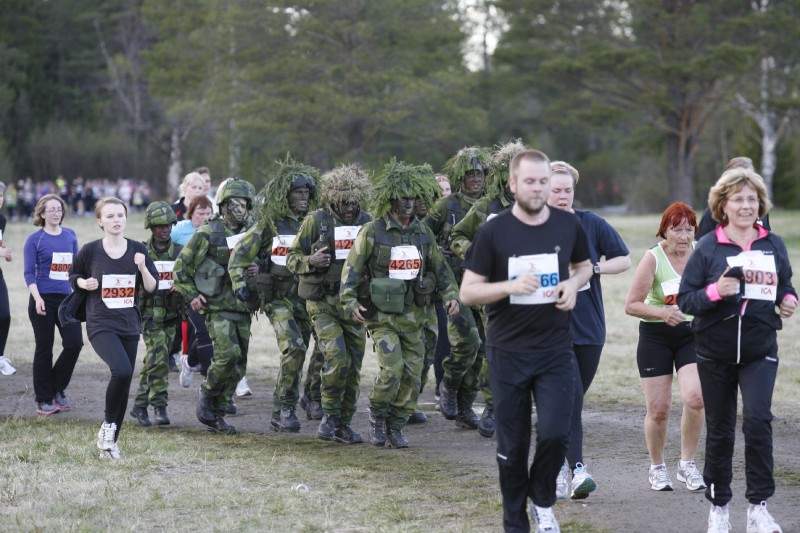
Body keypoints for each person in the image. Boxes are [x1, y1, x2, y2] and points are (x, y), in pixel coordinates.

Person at [460, 149, 591, 533]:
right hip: (508, 353)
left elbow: (583, 266)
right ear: (514, 184)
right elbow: (468, 292)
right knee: (512, 448)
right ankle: (514, 522)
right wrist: (510, 287)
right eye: (529, 181)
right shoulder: (494, 231)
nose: (537, 188)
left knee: (555, 432)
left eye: (543, 181)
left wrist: (572, 283)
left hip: (555, 350)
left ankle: (543, 500)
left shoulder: (568, 227)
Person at [678, 168, 796, 533]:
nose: (746, 206)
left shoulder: (772, 243)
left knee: (759, 422)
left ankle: (758, 507)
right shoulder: (709, 247)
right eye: (738, 199)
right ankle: (719, 507)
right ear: (722, 205)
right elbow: (686, 300)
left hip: (761, 349)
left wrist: (789, 299)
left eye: (752, 199)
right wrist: (716, 292)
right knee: (722, 430)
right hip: (715, 353)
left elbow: (786, 284)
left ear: (760, 204)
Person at [341, 159, 459, 448]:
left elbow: (441, 268)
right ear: (391, 199)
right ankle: (378, 417)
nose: (407, 204)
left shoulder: (422, 233)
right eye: (401, 198)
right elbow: (352, 270)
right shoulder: (373, 230)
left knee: (413, 375)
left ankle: (396, 424)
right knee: (391, 370)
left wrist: (450, 295)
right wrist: (349, 301)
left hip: (414, 316)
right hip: (381, 317)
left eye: (412, 199)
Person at [545, 161, 631, 500]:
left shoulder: (591, 223)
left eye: (568, 190)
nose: (563, 196)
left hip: (590, 327)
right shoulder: (535, 227)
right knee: (570, 398)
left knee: (570, 403)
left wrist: (593, 268)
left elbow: (623, 259)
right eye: (556, 190)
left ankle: (557, 469)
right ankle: (575, 470)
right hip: (550, 329)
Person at [229, 156, 325, 431]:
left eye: (307, 193)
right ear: (286, 195)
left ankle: (313, 396)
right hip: (278, 299)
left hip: (308, 299)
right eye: (298, 193)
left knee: (325, 347)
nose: (304, 198)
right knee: (294, 347)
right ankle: (282, 408)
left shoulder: (315, 223)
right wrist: (241, 287)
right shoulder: (269, 226)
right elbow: (238, 257)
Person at [287, 163, 372, 444]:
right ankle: (329, 415)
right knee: (337, 357)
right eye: (343, 203)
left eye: (353, 203)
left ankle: (344, 423)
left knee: (354, 365)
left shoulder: (367, 223)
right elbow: (291, 257)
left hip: (354, 304)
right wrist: (309, 261)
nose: (349, 208)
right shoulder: (316, 220)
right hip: (322, 302)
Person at [623, 202, 705, 493]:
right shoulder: (653, 258)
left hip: (692, 335)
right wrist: (662, 313)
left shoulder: (702, 254)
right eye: (676, 229)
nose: (683, 236)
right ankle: (657, 468)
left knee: (695, 399)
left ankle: (687, 464)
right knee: (659, 409)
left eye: (688, 229)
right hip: (656, 337)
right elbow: (631, 305)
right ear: (664, 231)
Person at [450, 138, 529, 438]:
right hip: (496, 293)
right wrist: (477, 257)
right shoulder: (488, 206)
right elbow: (458, 235)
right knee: (495, 349)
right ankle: (494, 407)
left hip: (533, 292)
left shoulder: (540, 205)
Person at [69, 197, 158, 459]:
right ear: (100, 221)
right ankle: (108, 426)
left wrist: (142, 268)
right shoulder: (90, 250)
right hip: (100, 322)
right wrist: (83, 283)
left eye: (120, 215)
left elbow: (152, 287)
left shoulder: (138, 249)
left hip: (129, 323)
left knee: (125, 378)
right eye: (110, 216)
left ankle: (110, 444)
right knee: (120, 369)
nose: (116, 220)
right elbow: (73, 277)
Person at [174, 177, 258, 434]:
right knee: (227, 355)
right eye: (233, 203)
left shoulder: (252, 233)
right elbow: (181, 269)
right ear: (222, 205)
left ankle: (218, 413)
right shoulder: (208, 233)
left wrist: (258, 268)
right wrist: (191, 296)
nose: (239, 209)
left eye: (244, 204)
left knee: (240, 362)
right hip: (217, 306)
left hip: (243, 306)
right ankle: (208, 395)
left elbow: (266, 260)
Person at [424, 146, 490, 432]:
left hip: (486, 287)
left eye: (480, 173)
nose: (475, 178)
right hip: (454, 285)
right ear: (460, 177)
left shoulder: (491, 206)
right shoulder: (446, 206)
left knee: (484, 351)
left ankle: (465, 408)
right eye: (470, 174)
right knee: (467, 343)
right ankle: (448, 384)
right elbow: (422, 235)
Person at [24, 194, 83, 413]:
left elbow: (75, 268)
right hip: (42, 300)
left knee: (74, 343)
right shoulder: (34, 239)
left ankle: (56, 388)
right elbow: (29, 273)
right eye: (51, 210)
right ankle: (43, 399)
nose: (56, 213)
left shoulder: (70, 235)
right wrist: (37, 298)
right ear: (41, 213)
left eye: (59, 209)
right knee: (44, 348)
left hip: (66, 300)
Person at [128, 202, 184, 427]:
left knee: (155, 360)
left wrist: (182, 288)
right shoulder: (141, 252)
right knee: (158, 357)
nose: (164, 230)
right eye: (159, 226)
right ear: (151, 228)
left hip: (172, 313)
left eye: (168, 225)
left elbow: (189, 278)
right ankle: (159, 404)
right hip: (149, 314)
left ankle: (139, 405)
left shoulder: (180, 251)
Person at [696, 157, 770, 240]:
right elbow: (700, 244)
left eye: (749, 178)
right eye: (738, 179)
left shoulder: (757, 208)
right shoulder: (712, 213)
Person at [0, 182, 15, 377]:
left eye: (1, 195)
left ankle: (0, 357)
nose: (0, 199)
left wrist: (4, 253)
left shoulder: (1, 220)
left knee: (4, 316)